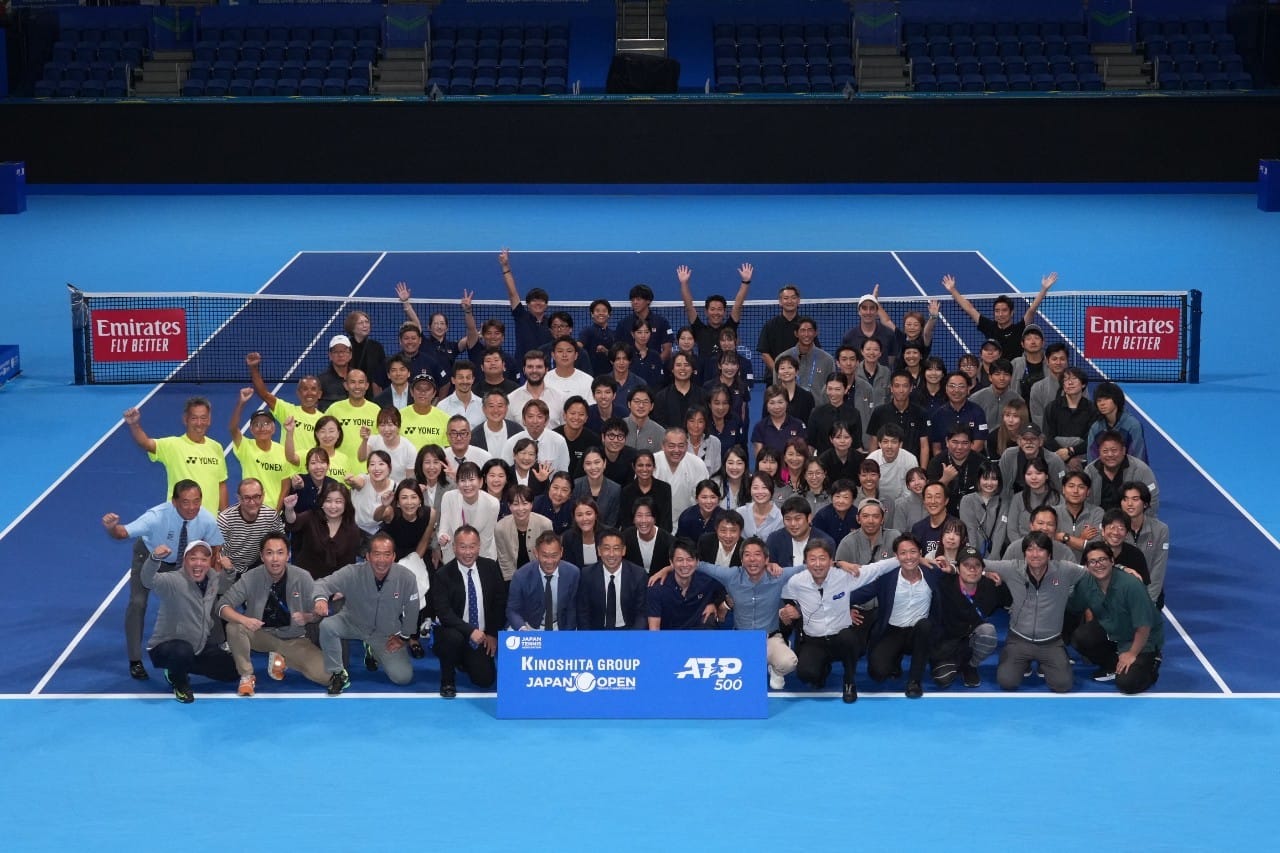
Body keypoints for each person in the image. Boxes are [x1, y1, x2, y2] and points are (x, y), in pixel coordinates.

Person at [102, 479, 225, 681]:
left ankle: (218, 644)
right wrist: (112, 527)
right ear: (174, 502)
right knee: (138, 602)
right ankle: (135, 660)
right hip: (150, 558)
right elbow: (122, 533)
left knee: (209, 597)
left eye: (196, 501)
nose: (191, 507)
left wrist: (210, 579)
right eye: (185, 502)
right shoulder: (155, 517)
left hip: (183, 562)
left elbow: (214, 546)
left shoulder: (206, 519)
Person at [651, 536, 811, 688]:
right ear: (741, 560)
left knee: (788, 663)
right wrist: (667, 569)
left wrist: (834, 564)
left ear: (766, 559)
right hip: (741, 639)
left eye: (757, 555)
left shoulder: (778, 575)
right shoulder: (731, 575)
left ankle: (776, 670)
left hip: (769, 638)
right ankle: (758, 660)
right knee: (728, 672)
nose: (752, 559)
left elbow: (808, 567)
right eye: (747, 555)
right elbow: (696, 565)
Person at [779, 540, 901, 703]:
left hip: (841, 638)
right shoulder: (796, 582)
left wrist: (905, 558)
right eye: (812, 559)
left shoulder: (844, 576)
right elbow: (785, 597)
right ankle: (823, 668)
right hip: (814, 640)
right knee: (806, 675)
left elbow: (877, 568)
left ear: (831, 561)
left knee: (848, 637)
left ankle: (849, 681)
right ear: (805, 562)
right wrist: (789, 609)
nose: (817, 564)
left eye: (822, 558)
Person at [217, 531, 328, 695]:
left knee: (327, 675)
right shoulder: (251, 577)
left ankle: (283, 657)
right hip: (260, 634)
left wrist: (309, 617)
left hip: (294, 639)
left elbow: (316, 613)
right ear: (262, 557)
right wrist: (245, 620)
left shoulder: (303, 577)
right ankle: (247, 676)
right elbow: (222, 606)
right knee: (234, 627)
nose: (275, 559)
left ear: (288, 556)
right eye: (269, 553)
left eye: (280, 553)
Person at [312, 532, 421, 695]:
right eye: (377, 554)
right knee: (327, 625)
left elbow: (413, 609)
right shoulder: (352, 572)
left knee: (403, 677)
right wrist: (320, 599)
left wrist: (404, 637)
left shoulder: (407, 578)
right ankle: (337, 673)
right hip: (352, 622)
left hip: (385, 633)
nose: (382, 560)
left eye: (387, 554)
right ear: (368, 556)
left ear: (394, 556)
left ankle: (373, 652)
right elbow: (322, 584)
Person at [980, 531, 1089, 692]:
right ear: (1024, 553)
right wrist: (984, 572)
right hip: (1019, 639)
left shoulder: (1065, 570)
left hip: (1051, 642)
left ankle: (1045, 664)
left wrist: (1121, 568)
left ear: (1049, 554)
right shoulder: (1013, 568)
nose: (1035, 554)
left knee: (1062, 685)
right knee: (1006, 682)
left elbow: (1095, 569)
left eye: (1040, 549)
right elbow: (975, 562)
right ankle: (1022, 663)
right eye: (1030, 549)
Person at [139, 540, 237, 703]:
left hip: (198, 645)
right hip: (166, 647)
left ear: (209, 562)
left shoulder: (212, 578)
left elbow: (223, 586)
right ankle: (179, 681)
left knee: (233, 672)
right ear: (185, 561)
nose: (198, 563)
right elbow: (148, 580)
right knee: (182, 652)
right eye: (193, 558)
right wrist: (154, 558)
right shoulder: (173, 581)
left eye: (204, 559)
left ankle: (178, 666)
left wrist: (229, 571)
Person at [848, 533, 942, 698]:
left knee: (925, 626)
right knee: (877, 673)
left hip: (918, 632)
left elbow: (957, 578)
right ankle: (894, 659)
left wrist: (983, 574)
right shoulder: (887, 578)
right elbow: (857, 595)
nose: (908, 557)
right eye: (903, 553)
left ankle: (914, 681)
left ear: (920, 553)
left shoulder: (933, 573)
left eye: (913, 552)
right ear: (896, 556)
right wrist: (845, 608)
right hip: (892, 630)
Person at [1067, 540, 1164, 693]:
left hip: (1142, 639)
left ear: (1112, 561)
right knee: (1081, 637)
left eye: (1103, 559)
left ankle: (1152, 663)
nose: (1098, 565)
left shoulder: (1131, 585)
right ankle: (1113, 664)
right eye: (1092, 561)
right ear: (1086, 566)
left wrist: (1132, 653)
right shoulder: (1086, 583)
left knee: (1127, 683)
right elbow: (1072, 607)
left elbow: (1144, 626)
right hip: (1113, 631)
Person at [431, 524, 508, 697]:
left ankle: (463, 660)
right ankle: (447, 680)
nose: (468, 552)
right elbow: (444, 613)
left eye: (472, 546)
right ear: (454, 547)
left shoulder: (490, 567)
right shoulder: (443, 574)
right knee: (452, 638)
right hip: (453, 631)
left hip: (481, 635)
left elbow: (499, 602)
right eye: (463, 547)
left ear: (479, 547)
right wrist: (470, 630)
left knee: (485, 680)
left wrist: (492, 634)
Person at [123, 397, 228, 511]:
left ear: (209, 420)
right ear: (185, 419)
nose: (199, 423)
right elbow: (145, 443)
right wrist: (134, 424)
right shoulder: (172, 445)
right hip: (179, 517)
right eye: (194, 418)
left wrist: (225, 516)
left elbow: (221, 484)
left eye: (203, 418)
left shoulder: (216, 447)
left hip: (209, 519)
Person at [930, 544, 1011, 688]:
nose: (972, 569)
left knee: (988, 632)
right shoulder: (944, 584)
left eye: (977, 565)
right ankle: (956, 663)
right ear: (958, 568)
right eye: (967, 565)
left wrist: (996, 579)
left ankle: (970, 665)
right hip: (947, 642)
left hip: (971, 639)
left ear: (982, 569)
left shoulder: (991, 586)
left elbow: (1011, 602)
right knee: (943, 679)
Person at [942, 271, 1057, 360]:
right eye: (997, 311)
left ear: (1012, 312)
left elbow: (1031, 310)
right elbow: (969, 309)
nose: (1000, 314)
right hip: (995, 374)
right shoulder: (989, 326)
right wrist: (952, 290)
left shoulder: (1019, 329)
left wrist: (1044, 289)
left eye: (1004, 310)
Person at [283, 481, 362, 580]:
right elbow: (293, 522)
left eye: (338, 502)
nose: (333, 506)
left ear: (346, 504)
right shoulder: (311, 517)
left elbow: (349, 564)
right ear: (322, 502)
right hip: (304, 579)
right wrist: (289, 509)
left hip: (334, 583)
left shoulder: (352, 529)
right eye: (328, 501)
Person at [229, 388, 290, 508]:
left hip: (274, 510)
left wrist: (277, 512)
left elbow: (286, 486)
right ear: (251, 430)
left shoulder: (283, 452)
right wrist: (241, 403)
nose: (262, 427)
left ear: (274, 428)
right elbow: (233, 429)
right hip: (250, 509)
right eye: (257, 424)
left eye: (266, 424)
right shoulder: (245, 447)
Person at [646, 537, 726, 629]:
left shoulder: (706, 581)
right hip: (668, 636)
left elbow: (725, 591)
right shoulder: (657, 588)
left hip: (696, 635)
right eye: (680, 560)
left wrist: (714, 604)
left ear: (697, 562)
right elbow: (654, 628)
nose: (685, 564)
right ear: (671, 562)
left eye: (689, 559)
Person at [577, 528, 649, 630]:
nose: (611, 554)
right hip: (598, 631)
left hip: (628, 630)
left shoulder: (638, 574)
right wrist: (588, 637)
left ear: (623, 550)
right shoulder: (587, 574)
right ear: (599, 551)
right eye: (606, 548)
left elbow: (641, 613)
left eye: (616, 548)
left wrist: (634, 636)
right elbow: (583, 612)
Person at [508, 531, 581, 630]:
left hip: (560, 626)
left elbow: (572, 609)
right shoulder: (521, 575)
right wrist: (522, 629)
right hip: (529, 626)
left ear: (561, 552)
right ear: (536, 553)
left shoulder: (573, 573)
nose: (549, 561)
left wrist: (567, 634)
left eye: (554, 555)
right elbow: (512, 610)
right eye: (545, 556)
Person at [216, 477, 285, 578]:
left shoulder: (271, 516)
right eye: (247, 498)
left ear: (263, 496)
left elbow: (281, 545)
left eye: (256, 496)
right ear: (239, 498)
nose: (252, 502)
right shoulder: (225, 520)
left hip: (258, 568)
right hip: (229, 569)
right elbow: (216, 553)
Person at [678, 262, 751, 356]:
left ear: (724, 312)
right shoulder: (699, 329)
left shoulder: (730, 328)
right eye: (712, 309)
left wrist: (745, 282)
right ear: (706, 312)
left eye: (719, 309)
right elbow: (689, 307)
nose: (716, 312)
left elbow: (738, 305)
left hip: (728, 365)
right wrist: (684, 283)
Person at [436, 461, 500, 565]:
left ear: (480, 482)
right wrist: (443, 537)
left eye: (471, 479)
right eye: (462, 480)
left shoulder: (492, 503)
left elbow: (486, 540)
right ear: (457, 483)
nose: (467, 485)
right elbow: (444, 528)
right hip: (453, 553)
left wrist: (472, 565)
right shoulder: (448, 497)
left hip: (483, 555)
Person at [1084, 430, 1160, 516]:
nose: (1110, 454)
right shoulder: (1090, 471)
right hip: (1099, 521)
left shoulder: (1141, 470)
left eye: (1114, 450)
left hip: (1132, 520)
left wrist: (1137, 521)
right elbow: (1083, 501)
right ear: (1099, 452)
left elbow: (1152, 501)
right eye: (1105, 451)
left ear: (1123, 451)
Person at [1120, 481, 1170, 608]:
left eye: (1135, 499)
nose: (1129, 504)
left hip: (1148, 594)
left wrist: (1148, 602)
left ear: (1145, 504)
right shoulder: (1113, 529)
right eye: (1125, 499)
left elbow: (1158, 569)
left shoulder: (1160, 530)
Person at [867, 371, 931, 465]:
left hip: (912, 465)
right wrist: (871, 467)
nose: (901, 390)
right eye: (897, 386)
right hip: (885, 465)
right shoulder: (879, 412)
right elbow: (874, 442)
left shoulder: (921, 413)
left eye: (905, 386)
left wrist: (922, 471)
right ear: (891, 388)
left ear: (911, 388)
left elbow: (924, 446)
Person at [498, 247, 552, 356]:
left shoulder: (552, 324)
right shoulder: (521, 316)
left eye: (541, 301)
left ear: (546, 305)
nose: (538, 303)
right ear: (528, 304)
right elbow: (512, 293)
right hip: (522, 364)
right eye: (534, 300)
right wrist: (505, 267)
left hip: (544, 365)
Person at [495, 485, 554, 582]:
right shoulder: (500, 527)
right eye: (515, 504)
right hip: (513, 577)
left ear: (531, 504)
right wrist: (513, 582)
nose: (520, 508)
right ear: (509, 506)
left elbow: (548, 555)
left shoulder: (545, 524)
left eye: (525, 503)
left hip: (541, 575)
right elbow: (504, 560)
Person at [1043, 367, 1096, 470]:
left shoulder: (1092, 409)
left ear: (1083, 384)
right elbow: (1047, 436)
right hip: (1056, 458)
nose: (1070, 382)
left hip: (1084, 459)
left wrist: (1071, 451)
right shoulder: (1052, 407)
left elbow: (1092, 439)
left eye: (1074, 378)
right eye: (1066, 379)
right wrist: (1066, 457)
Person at [654, 427, 710, 523]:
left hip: (688, 521)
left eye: (681, 446)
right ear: (663, 446)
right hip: (655, 521)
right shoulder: (652, 462)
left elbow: (704, 497)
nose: (676, 450)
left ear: (687, 446)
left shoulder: (697, 464)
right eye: (671, 446)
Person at [926, 425, 985, 517]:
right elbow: (930, 495)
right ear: (947, 442)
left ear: (972, 444)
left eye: (965, 443)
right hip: (944, 514)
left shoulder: (981, 462)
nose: (959, 447)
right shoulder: (936, 462)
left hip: (975, 513)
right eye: (955, 442)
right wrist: (944, 480)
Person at [928, 371, 989, 457]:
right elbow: (936, 448)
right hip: (946, 462)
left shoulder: (978, 412)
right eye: (952, 386)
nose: (956, 390)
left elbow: (979, 444)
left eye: (961, 386)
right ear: (946, 389)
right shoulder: (938, 415)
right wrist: (947, 462)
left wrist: (960, 460)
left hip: (973, 460)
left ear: (968, 389)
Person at [501, 398, 570, 475]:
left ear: (546, 420)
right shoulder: (512, 443)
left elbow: (563, 473)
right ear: (523, 420)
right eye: (530, 416)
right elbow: (505, 473)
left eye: (539, 417)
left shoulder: (559, 441)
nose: (535, 421)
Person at [1086, 382, 1149, 463]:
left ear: (1116, 400)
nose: (1102, 403)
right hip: (1103, 470)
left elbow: (1138, 457)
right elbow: (1092, 459)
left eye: (1106, 399)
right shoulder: (1095, 428)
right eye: (1099, 400)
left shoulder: (1133, 426)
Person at [766, 496, 836, 567]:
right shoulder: (774, 539)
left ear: (809, 518)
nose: (793, 524)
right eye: (788, 519)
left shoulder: (826, 542)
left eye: (798, 518)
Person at [325, 368, 378, 461]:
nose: (357, 386)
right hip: (340, 467)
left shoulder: (376, 410)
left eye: (361, 382)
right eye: (353, 382)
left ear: (367, 386)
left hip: (368, 468)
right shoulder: (334, 410)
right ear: (346, 385)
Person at [507, 350, 567, 431]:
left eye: (539, 367)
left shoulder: (560, 398)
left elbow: (565, 429)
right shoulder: (511, 399)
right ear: (524, 370)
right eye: (530, 367)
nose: (534, 370)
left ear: (546, 370)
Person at [1006, 457, 1062, 541]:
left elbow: (1061, 528)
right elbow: (1012, 530)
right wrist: (1024, 546)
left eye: (1038, 473)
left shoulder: (1057, 498)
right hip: (1022, 544)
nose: (1033, 477)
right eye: (1029, 474)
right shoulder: (1017, 498)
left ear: (1046, 476)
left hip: (1050, 545)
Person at [958, 461, 1008, 558]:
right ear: (978, 479)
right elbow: (970, 529)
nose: (989, 483)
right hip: (971, 554)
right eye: (985, 478)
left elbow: (1000, 531)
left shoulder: (1003, 503)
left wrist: (994, 557)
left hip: (995, 556)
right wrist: (974, 556)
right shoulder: (967, 500)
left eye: (994, 479)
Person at [834, 496, 900, 566]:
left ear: (882, 519)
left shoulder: (894, 537)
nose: (870, 521)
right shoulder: (848, 543)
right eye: (865, 516)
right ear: (858, 519)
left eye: (876, 516)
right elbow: (837, 569)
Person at [358, 407, 417, 483]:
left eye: (390, 425)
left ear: (399, 426)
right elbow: (361, 458)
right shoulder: (373, 440)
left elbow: (410, 481)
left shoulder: (409, 449)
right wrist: (365, 440)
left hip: (398, 488)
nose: (386, 429)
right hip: (376, 487)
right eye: (382, 425)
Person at [808, 373, 862, 456]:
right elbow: (811, 445)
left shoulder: (854, 414)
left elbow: (857, 445)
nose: (833, 393)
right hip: (822, 461)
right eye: (830, 389)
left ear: (846, 390)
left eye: (837, 389)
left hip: (848, 460)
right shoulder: (816, 413)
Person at [779, 316, 836, 393]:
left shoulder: (827, 360)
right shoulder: (782, 358)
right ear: (796, 333)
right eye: (802, 330)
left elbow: (833, 388)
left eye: (810, 330)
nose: (806, 334)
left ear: (815, 333)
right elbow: (777, 389)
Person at [841, 291, 898, 368]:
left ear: (877, 311)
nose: (868, 312)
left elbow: (891, 360)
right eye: (864, 308)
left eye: (872, 308)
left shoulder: (889, 334)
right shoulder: (849, 337)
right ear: (859, 311)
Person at [865, 423, 918, 504]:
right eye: (885, 442)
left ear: (900, 444)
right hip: (876, 502)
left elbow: (911, 489)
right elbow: (867, 487)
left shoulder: (910, 459)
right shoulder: (871, 459)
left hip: (903, 503)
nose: (889, 446)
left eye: (894, 442)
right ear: (879, 444)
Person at [1056, 471, 1103, 557]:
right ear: (1063, 489)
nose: (1075, 491)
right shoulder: (1052, 513)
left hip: (1088, 564)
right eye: (1071, 486)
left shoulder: (1097, 513)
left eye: (1081, 487)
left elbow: (1096, 547)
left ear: (1088, 492)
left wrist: (1063, 537)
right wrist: (1081, 539)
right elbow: (1050, 546)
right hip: (1058, 564)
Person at [968, 359, 1021, 436]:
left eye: (1006, 374)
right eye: (997, 374)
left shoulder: (1018, 400)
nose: (1002, 378)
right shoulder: (975, 398)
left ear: (1011, 377)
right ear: (990, 377)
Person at [623, 497, 674, 574]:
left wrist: (667, 570)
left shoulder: (668, 540)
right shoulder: (625, 537)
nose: (643, 520)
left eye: (648, 515)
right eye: (639, 515)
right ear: (633, 519)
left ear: (655, 519)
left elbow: (679, 563)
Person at [752, 384, 806, 457]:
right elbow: (759, 458)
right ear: (766, 406)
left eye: (780, 402)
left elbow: (803, 454)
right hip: (769, 464)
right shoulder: (760, 427)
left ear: (787, 403)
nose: (777, 407)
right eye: (772, 403)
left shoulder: (798, 425)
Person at [572, 446, 621, 527]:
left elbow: (612, 523)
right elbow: (572, 518)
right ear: (583, 466)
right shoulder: (575, 486)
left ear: (604, 463)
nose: (593, 467)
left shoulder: (615, 489)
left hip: (606, 533)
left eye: (597, 462)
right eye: (588, 463)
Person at [399, 371, 450, 450]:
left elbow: (449, 449)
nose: (422, 392)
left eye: (427, 389)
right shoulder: (399, 416)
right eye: (418, 388)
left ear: (434, 393)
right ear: (411, 392)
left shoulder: (445, 419)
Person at [342, 309, 387, 395]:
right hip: (350, 391)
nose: (365, 325)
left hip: (371, 393)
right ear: (352, 327)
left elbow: (382, 371)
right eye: (360, 323)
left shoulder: (377, 347)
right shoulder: (345, 346)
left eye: (367, 322)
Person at [555, 396, 600, 480]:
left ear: (586, 418)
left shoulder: (594, 440)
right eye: (572, 413)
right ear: (564, 415)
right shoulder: (554, 437)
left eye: (581, 414)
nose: (576, 417)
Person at [1028, 342, 1069, 427]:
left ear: (1067, 361)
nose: (1058, 362)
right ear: (1047, 361)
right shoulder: (1037, 388)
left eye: (1062, 359)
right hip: (1046, 434)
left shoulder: (1077, 385)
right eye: (1054, 359)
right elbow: (1037, 418)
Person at [544, 335, 595, 402]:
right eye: (560, 351)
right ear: (553, 355)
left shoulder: (588, 381)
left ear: (576, 355)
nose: (564, 355)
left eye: (569, 351)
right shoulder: (544, 380)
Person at [471, 389, 522, 455]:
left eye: (500, 406)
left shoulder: (517, 430)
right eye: (491, 406)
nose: (496, 410)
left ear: (506, 408)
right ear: (484, 409)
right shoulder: (475, 435)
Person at [437, 359, 486, 428]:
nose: (465, 381)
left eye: (468, 377)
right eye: (460, 377)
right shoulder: (442, 406)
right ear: (453, 380)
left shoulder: (483, 405)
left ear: (473, 380)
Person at [561, 497, 603, 569]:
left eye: (588, 514)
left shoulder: (608, 535)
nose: (584, 519)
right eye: (579, 515)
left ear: (596, 515)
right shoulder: (568, 537)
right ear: (574, 518)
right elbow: (569, 567)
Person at [812, 479, 859, 545]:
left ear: (853, 499)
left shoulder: (858, 515)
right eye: (837, 496)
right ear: (831, 498)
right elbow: (814, 541)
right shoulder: (822, 515)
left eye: (846, 497)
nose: (841, 501)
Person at [580, 298, 619, 376]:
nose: (601, 313)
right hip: (590, 375)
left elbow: (616, 356)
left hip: (610, 376)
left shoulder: (613, 334)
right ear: (592, 314)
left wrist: (605, 351)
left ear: (609, 314)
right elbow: (579, 345)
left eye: (604, 311)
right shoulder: (587, 331)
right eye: (597, 311)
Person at [772, 354, 816, 423]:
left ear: (797, 372)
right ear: (778, 374)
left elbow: (811, 422)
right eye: (782, 368)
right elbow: (765, 421)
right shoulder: (771, 395)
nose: (786, 371)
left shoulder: (807, 396)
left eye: (790, 367)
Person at [316, 334, 355, 409]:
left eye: (344, 351)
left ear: (350, 355)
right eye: (336, 352)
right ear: (330, 355)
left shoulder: (358, 378)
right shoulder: (321, 381)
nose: (340, 355)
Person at [683, 404, 721, 478]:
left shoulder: (714, 442)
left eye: (700, 421)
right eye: (692, 421)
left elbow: (717, 474)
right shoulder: (680, 442)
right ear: (686, 423)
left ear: (705, 424)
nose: (696, 426)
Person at [1011, 324, 1047, 401]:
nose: (1033, 342)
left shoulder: (1051, 364)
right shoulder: (1015, 364)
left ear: (1043, 342)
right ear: (1022, 344)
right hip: (1019, 407)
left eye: (1036, 338)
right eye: (1028, 339)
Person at [624, 386, 666, 453]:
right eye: (637, 401)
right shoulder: (618, 427)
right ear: (629, 404)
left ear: (652, 406)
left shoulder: (660, 432)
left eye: (645, 402)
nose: (641, 405)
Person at [532, 471, 575, 535]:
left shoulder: (573, 508)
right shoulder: (536, 503)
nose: (558, 493)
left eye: (564, 490)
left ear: (570, 495)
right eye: (555, 488)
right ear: (549, 487)